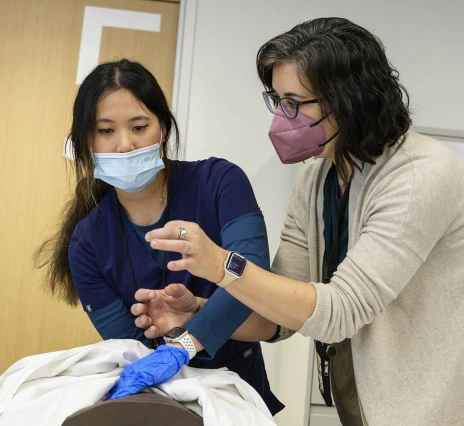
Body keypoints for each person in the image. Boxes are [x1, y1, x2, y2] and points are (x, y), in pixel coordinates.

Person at [129, 18, 464, 426]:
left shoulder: (419, 176)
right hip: (378, 403)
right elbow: (277, 315)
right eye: (277, 100)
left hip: (456, 406)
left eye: (293, 102)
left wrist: (221, 265)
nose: (281, 118)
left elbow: (339, 311)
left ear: (348, 99)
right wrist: (200, 311)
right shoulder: (317, 180)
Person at [35, 59, 283, 415]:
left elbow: (251, 272)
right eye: (105, 131)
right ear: (85, 141)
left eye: (139, 126)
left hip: (239, 398)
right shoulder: (87, 243)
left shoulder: (219, 183)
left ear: (163, 129)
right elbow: (133, 352)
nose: (124, 145)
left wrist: (184, 338)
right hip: (158, 407)